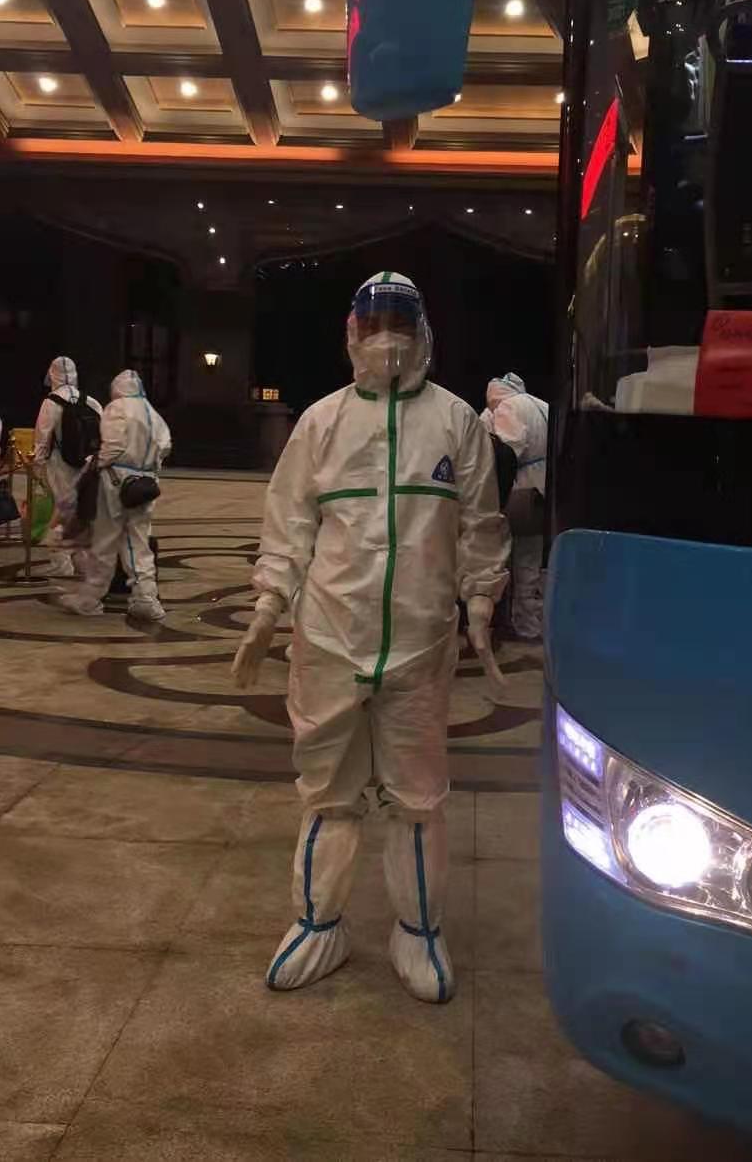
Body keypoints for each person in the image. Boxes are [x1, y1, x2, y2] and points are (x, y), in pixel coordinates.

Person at [232, 272, 509, 1003]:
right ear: (351, 331)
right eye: (374, 321)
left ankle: (418, 929)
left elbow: (480, 524)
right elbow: (289, 523)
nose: (387, 336)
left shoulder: (456, 421)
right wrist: (268, 602)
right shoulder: (321, 422)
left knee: (418, 795)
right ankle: (316, 922)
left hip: (419, 642)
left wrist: (482, 596)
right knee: (329, 789)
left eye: (400, 322)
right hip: (330, 637)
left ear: (423, 332)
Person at [61, 370, 171, 621]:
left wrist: (97, 465)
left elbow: (113, 446)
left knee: (105, 541)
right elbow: (165, 447)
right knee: (138, 543)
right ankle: (146, 599)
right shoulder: (153, 413)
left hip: (115, 481)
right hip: (145, 483)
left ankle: (90, 599)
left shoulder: (117, 408)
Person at [481, 374, 549, 641]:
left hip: (519, 490)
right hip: (543, 486)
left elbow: (508, 452)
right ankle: (531, 624)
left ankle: (512, 625)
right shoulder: (542, 405)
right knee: (532, 559)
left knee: (509, 559)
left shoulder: (509, 407)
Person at [33, 356, 102, 578]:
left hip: (60, 465)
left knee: (61, 512)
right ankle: (82, 561)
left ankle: (61, 562)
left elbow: (42, 439)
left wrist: (38, 469)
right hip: (87, 466)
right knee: (81, 512)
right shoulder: (90, 401)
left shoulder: (51, 403)